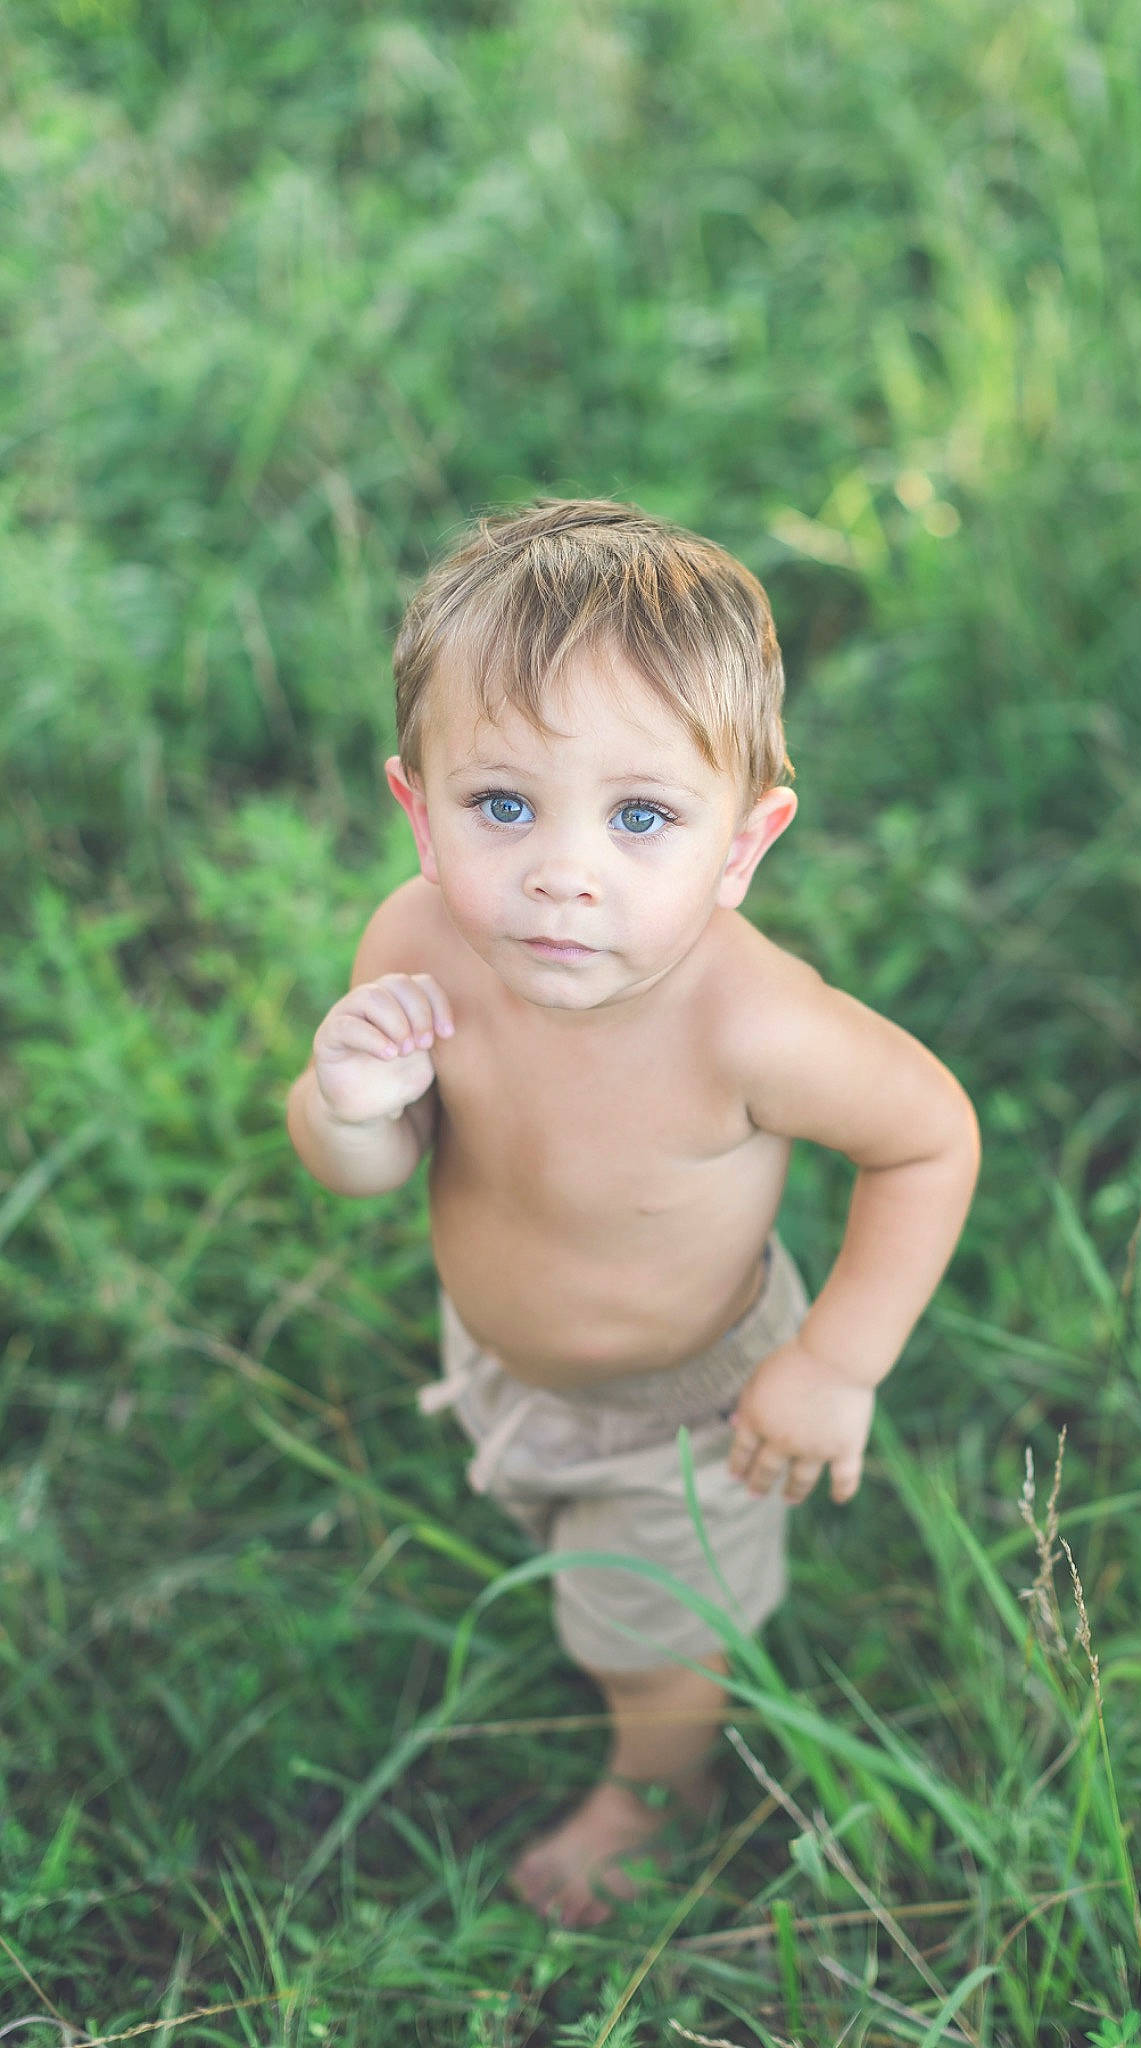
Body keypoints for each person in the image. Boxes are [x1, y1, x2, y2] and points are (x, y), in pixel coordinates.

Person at [286, 498, 980, 1925]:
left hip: (689, 1410)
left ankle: (658, 1794)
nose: (561, 871)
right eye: (501, 804)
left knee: (653, 1651)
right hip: (501, 1352)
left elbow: (927, 1141)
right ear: (416, 806)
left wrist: (832, 1364)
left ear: (742, 843)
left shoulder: (753, 1026)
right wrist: (345, 1102)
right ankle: (547, 1511)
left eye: (642, 816)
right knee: (581, 1573)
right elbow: (376, 1170)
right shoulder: (419, 943)